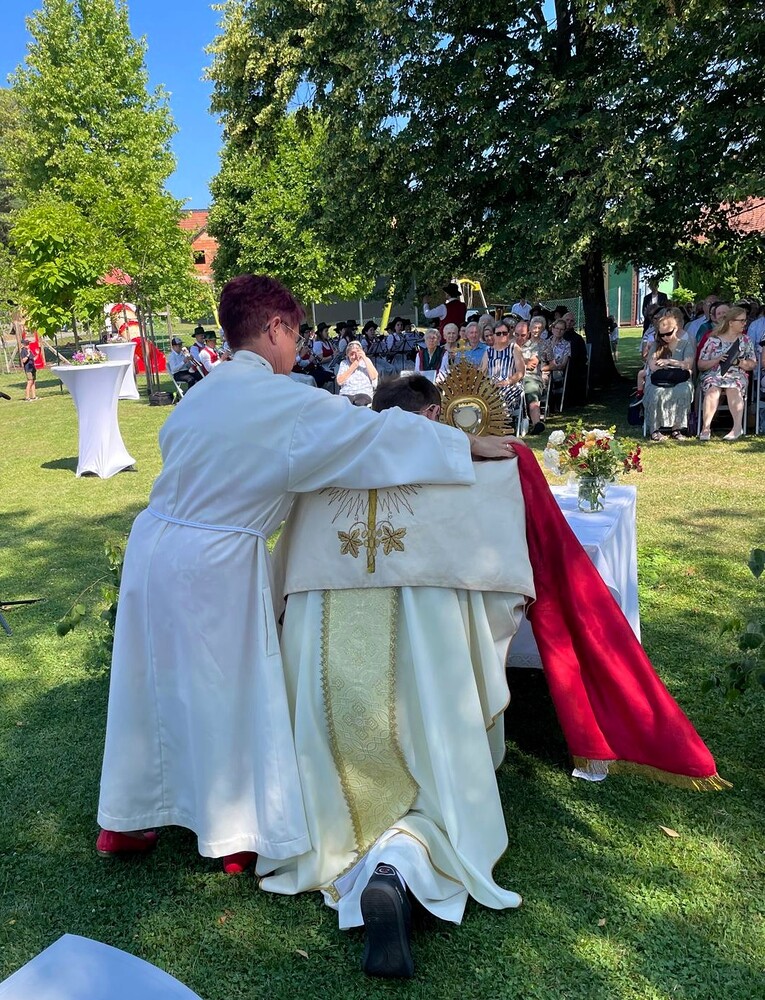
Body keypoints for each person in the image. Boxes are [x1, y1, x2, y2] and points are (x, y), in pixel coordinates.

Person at [95, 273, 519, 874]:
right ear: (274, 329)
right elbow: (373, 433)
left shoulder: (204, 391)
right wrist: (460, 444)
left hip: (154, 545)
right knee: (227, 686)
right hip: (217, 558)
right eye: (295, 334)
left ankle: (125, 820)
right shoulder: (284, 401)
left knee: (151, 682)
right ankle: (235, 833)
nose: (296, 347)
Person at [265, 374, 531, 978]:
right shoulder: (454, 474)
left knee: (333, 782)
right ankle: (402, 866)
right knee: (431, 774)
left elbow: (282, 579)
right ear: (431, 419)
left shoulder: (322, 473)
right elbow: (497, 585)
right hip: (423, 654)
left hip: (327, 649)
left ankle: (357, 856)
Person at [697, 306, 756, 441]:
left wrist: (739, 362)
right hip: (714, 374)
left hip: (736, 374)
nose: (744, 323)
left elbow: (753, 364)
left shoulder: (746, 340)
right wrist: (717, 360)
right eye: (741, 320)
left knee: (733, 388)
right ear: (731, 322)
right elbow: (700, 365)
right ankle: (706, 428)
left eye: (745, 320)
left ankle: (737, 428)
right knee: (713, 389)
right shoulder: (713, 340)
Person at [644, 310, 694, 441]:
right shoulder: (657, 345)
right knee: (656, 393)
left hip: (679, 379)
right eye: (662, 334)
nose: (665, 337)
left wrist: (669, 362)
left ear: (676, 329)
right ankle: (654, 429)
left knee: (683, 391)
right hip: (659, 379)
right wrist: (676, 365)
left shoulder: (685, 344)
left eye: (669, 333)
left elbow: (688, 364)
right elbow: (653, 366)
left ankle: (677, 428)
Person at [480, 320, 525, 420]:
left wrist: (508, 381)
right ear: (494, 335)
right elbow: (482, 372)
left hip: (511, 384)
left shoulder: (514, 348)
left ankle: (501, 421)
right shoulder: (488, 352)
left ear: (508, 334)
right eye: (498, 333)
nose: (502, 335)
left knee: (501, 395)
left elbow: (521, 372)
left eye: (504, 333)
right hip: (492, 385)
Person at [514, 321, 546, 434]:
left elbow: (532, 364)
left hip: (531, 377)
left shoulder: (535, 346)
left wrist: (516, 359)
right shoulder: (509, 345)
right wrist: (524, 361)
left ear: (528, 334)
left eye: (522, 335)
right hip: (513, 376)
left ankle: (536, 423)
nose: (519, 338)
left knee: (531, 391)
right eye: (516, 334)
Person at [336, 340, 379, 404]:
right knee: (343, 403)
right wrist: (353, 367)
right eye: (351, 354)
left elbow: (374, 376)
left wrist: (364, 357)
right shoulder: (344, 363)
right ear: (347, 355)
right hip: (347, 392)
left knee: (359, 403)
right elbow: (339, 381)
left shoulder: (366, 360)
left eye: (356, 354)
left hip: (363, 392)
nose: (354, 357)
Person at [20, 337, 38, 402]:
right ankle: (27, 397)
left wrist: (38, 353)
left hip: (32, 368)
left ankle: (34, 396)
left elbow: (33, 359)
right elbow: (23, 361)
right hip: (28, 369)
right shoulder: (23, 351)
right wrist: (27, 355)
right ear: (23, 344)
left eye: (28, 343)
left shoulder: (29, 350)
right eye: (26, 344)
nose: (28, 345)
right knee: (29, 382)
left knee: (33, 382)